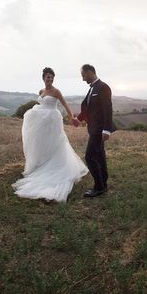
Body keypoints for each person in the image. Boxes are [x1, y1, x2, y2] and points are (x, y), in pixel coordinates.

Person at [13, 67, 88, 203]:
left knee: (54, 144)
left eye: (52, 77)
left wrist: (72, 118)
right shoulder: (41, 91)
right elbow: (41, 104)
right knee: (41, 143)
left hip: (52, 121)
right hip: (41, 122)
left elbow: (65, 104)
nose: (50, 79)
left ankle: (53, 166)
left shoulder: (56, 91)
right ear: (44, 78)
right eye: (48, 77)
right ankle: (40, 163)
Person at [72, 64, 116, 198]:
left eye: (84, 75)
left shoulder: (103, 87)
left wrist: (107, 130)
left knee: (90, 157)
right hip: (93, 129)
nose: (83, 79)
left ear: (90, 72)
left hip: (99, 130)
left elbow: (107, 110)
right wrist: (79, 119)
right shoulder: (92, 88)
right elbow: (88, 109)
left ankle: (99, 186)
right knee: (100, 156)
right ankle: (103, 184)